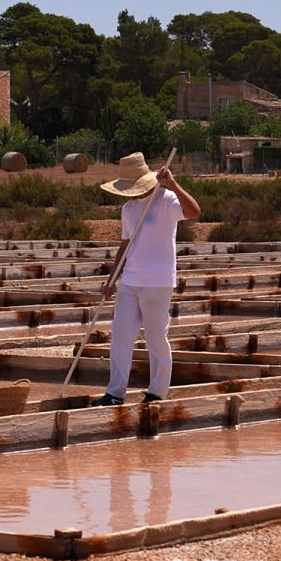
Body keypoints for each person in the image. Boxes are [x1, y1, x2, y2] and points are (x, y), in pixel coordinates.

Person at [91, 152, 201, 406]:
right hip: (130, 281)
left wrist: (173, 184)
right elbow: (124, 246)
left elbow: (194, 212)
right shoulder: (128, 209)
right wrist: (111, 280)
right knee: (120, 334)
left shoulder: (166, 199)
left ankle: (157, 391)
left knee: (155, 338)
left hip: (158, 281)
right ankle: (115, 392)